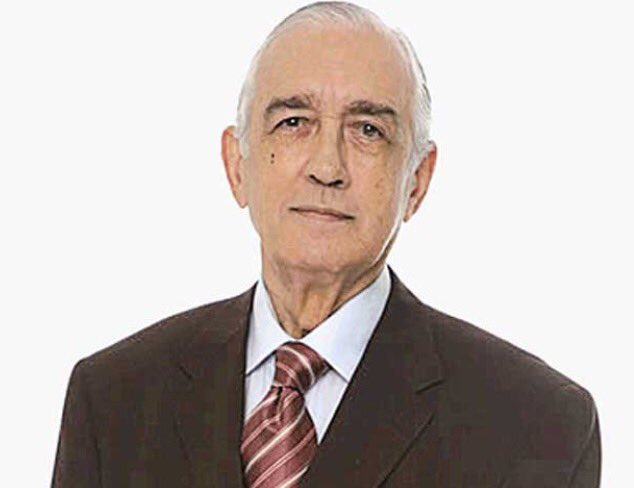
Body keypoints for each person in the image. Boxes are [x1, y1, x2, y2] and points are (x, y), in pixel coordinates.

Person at [52, 2, 601, 487]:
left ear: (417, 181)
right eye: (294, 122)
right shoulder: (114, 400)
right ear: (236, 165)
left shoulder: (535, 425)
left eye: (368, 131)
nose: (327, 166)